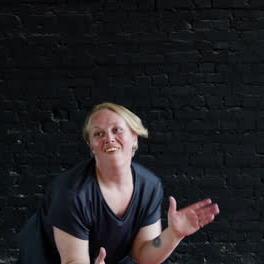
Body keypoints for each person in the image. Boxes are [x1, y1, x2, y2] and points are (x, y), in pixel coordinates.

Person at [18, 103, 220, 264]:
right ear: (91, 147)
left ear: (134, 139)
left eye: (117, 130)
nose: (109, 138)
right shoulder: (71, 192)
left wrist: (173, 234)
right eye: (98, 134)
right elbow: (73, 259)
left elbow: (143, 255)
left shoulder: (149, 186)